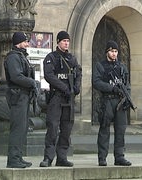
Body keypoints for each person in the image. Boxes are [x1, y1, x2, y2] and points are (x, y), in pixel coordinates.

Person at [39, 31, 82, 167]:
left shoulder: (72, 59)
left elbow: (78, 74)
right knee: (52, 127)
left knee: (66, 128)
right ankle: (48, 158)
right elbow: (49, 75)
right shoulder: (51, 57)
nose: (66, 43)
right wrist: (64, 87)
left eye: (68, 41)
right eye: (64, 41)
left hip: (69, 99)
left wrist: (76, 87)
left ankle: (62, 157)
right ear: (58, 42)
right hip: (56, 97)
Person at [92, 40, 132, 166]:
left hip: (120, 101)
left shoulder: (121, 67)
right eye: (111, 51)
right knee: (104, 129)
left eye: (115, 51)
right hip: (107, 100)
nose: (114, 54)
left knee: (120, 130)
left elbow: (127, 84)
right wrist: (112, 88)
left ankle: (119, 156)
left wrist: (126, 97)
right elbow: (96, 82)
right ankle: (102, 157)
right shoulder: (101, 66)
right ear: (107, 52)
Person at [4, 32, 37, 168]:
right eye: (25, 41)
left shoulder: (21, 56)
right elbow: (16, 76)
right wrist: (32, 82)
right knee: (17, 128)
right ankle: (13, 159)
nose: (27, 44)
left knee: (23, 128)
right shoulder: (13, 57)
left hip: (23, 96)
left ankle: (18, 156)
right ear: (19, 42)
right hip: (17, 96)